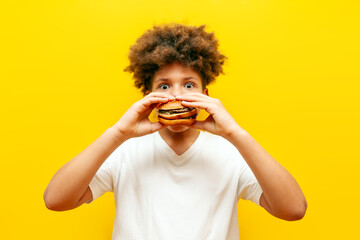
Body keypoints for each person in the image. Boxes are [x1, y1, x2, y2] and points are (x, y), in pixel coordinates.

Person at [44, 23, 307, 239]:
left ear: (206, 96)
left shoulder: (231, 153)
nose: (178, 95)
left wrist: (235, 133)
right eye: (165, 86)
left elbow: (293, 209)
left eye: (189, 85)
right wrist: (118, 133)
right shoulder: (124, 151)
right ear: (149, 97)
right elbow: (56, 200)